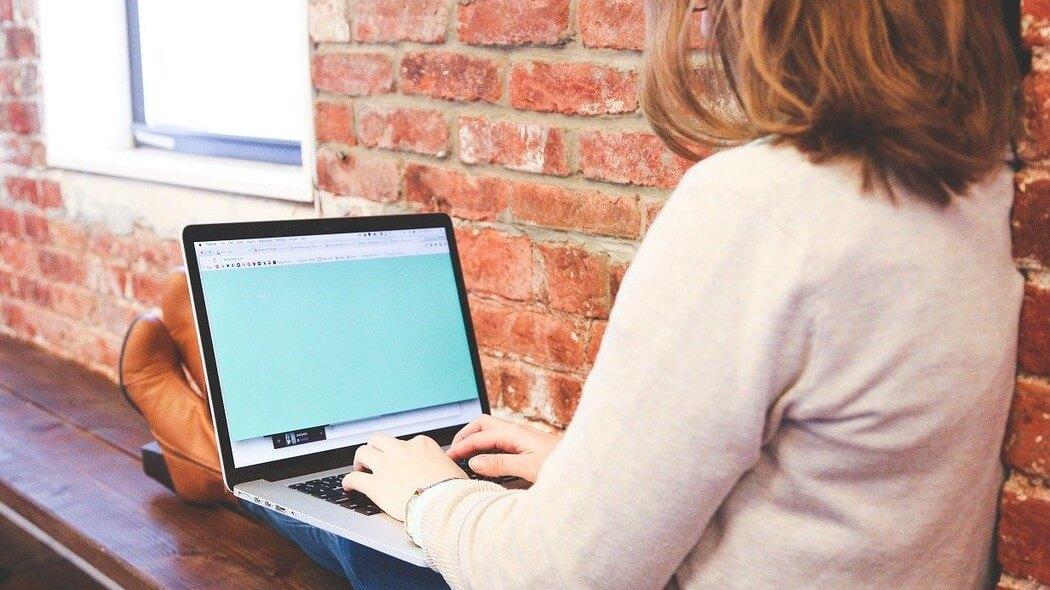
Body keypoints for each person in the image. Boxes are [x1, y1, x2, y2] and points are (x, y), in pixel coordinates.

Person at [120, 0, 1023, 587]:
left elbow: (560, 577)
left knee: (385, 516)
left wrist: (430, 495)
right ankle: (241, 449)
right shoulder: (977, 197)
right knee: (432, 484)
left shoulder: (763, 206)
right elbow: (827, 499)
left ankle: (219, 460)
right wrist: (590, 476)